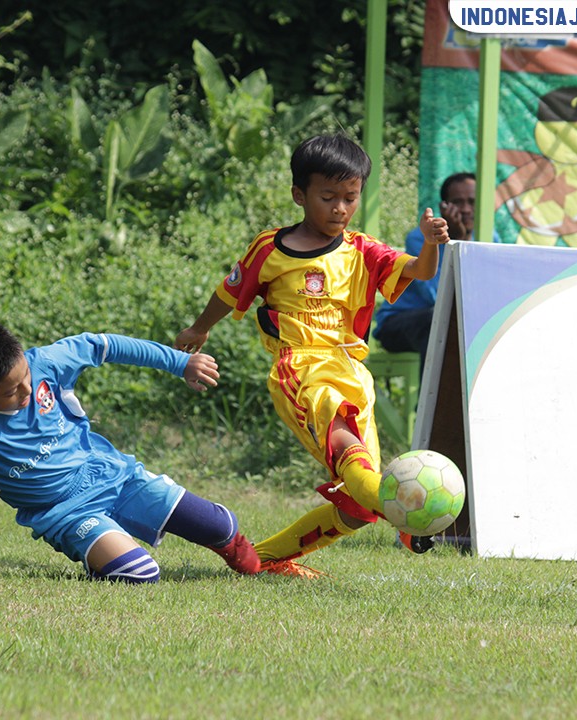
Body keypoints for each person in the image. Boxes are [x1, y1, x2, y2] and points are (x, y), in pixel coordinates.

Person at [174, 134, 450, 576]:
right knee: (347, 450)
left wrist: (432, 244)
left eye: (350, 197)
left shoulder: (363, 250)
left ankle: (261, 560)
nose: (340, 208)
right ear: (299, 195)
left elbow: (418, 271)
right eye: (328, 197)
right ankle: (407, 509)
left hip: (352, 373)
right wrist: (199, 328)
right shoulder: (270, 249)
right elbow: (229, 292)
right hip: (300, 366)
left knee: (359, 509)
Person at [0, 317, 260, 583]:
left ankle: (259, 568)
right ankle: (101, 551)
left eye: (25, 377)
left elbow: (105, 345)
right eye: (11, 392)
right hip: (68, 514)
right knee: (139, 574)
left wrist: (180, 362)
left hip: (115, 476)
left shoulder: (48, 362)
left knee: (219, 525)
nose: (26, 392)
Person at [372, 172, 497, 372]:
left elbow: (489, 292)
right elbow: (437, 296)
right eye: (458, 202)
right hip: (401, 321)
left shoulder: (490, 236)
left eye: (472, 202)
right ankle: (432, 403)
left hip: (454, 323)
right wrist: (456, 242)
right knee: (440, 321)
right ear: (444, 207)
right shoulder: (420, 238)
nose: (465, 209)